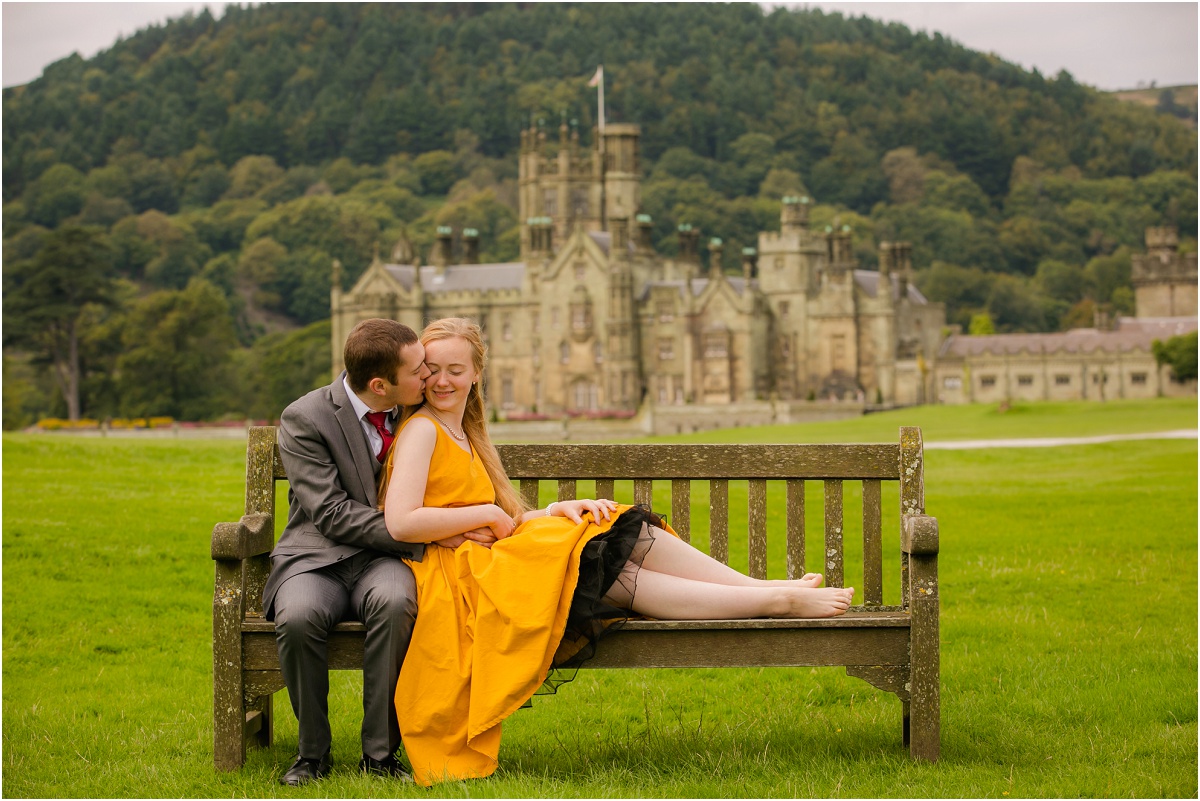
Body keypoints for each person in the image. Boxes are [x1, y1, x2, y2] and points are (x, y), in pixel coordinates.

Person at [378, 318, 855, 786]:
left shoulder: (464, 431)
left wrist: (554, 508)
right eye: (431, 369)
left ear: (476, 373)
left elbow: (494, 520)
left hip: (488, 559)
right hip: (459, 577)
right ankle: (776, 601)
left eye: (455, 370)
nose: (441, 380)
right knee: (606, 568)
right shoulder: (423, 430)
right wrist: (485, 515)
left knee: (609, 523)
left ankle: (762, 588)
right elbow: (402, 521)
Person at [262, 318, 491, 786]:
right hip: (318, 557)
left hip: (385, 562)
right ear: (380, 385)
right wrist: (425, 535)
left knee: (394, 602)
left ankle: (380, 756)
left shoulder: (414, 410)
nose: (429, 377)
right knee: (300, 615)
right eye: (419, 371)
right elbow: (329, 513)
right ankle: (312, 754)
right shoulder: (306, 418)